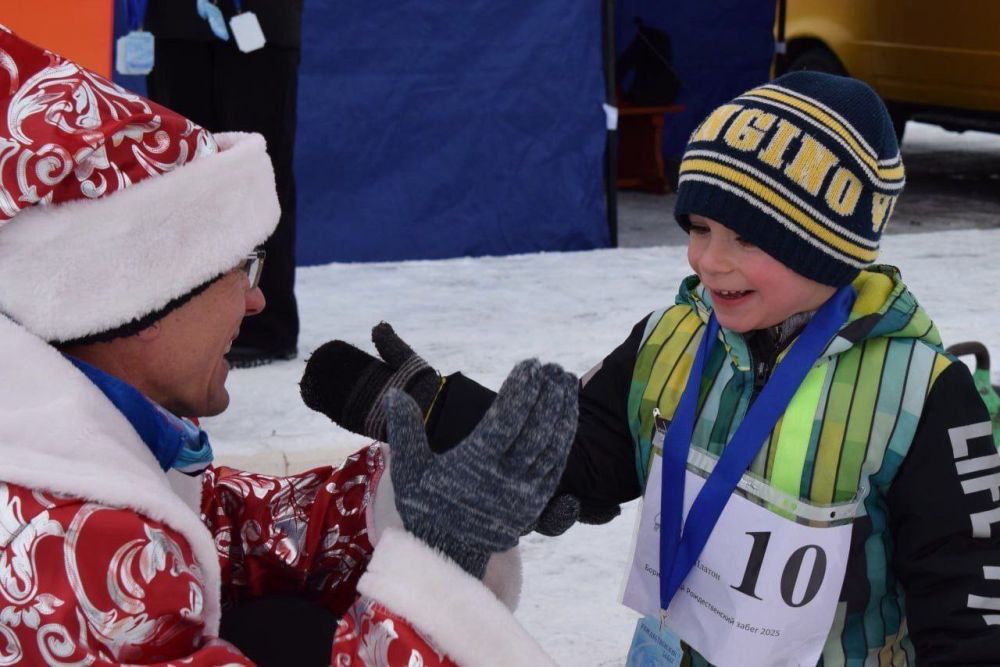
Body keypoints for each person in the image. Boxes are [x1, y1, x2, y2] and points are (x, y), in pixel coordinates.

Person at [306, 71, 1000, 664]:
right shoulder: (675, 336)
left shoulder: (923, 396)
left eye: (745, 238)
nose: (708, 261)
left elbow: (966, 606)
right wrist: (435, 406)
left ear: (827, 248)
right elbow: (583, 453)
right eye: (698, 229)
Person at [0, 26, 573, 666]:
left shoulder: (60, 440)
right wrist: (440, 566)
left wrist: (404, 499)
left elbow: (218, 532)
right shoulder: (73, 545)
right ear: (138, 305)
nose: (257, 300)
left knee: (283, 626)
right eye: (239, 268)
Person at [144, 0, 303, 367]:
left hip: (258, 20)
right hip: (177, 22)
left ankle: (263, 326)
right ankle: (186, 320)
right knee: (182, 172)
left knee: (258, 169)